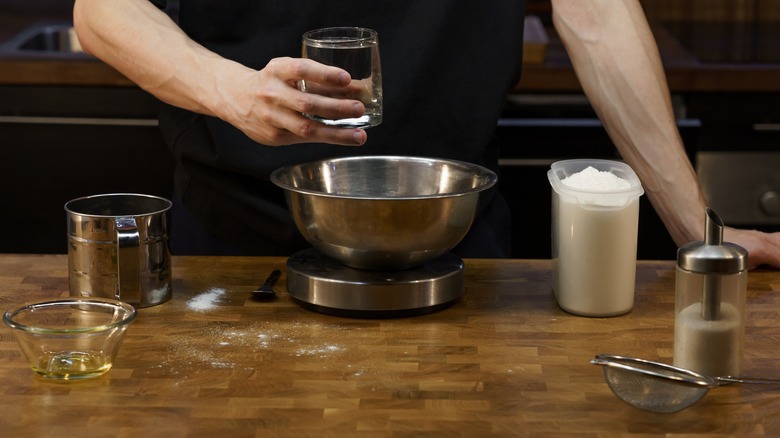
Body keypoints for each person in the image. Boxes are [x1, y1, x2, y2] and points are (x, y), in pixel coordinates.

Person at [72, 0, 780, 269]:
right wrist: (229, 88)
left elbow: (594, 14)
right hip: (228, 242)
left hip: (453, 241)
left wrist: (699, 229)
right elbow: (101, 9)